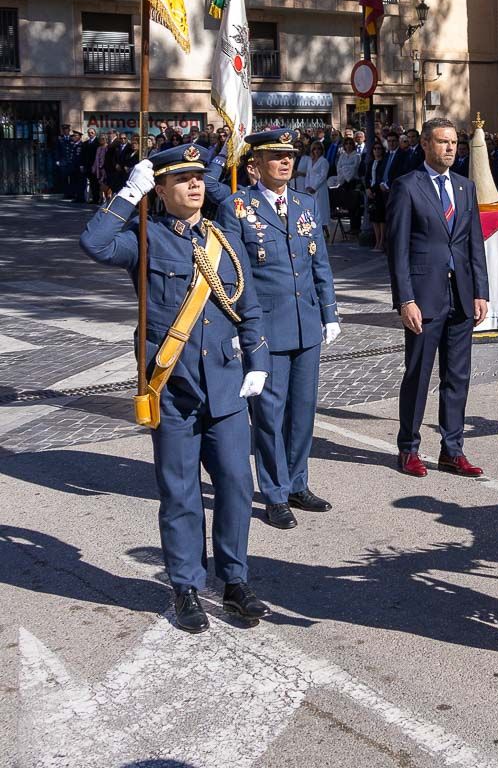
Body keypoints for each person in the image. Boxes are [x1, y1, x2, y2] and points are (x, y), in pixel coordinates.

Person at [79, 144, 271, 633]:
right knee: (180, 493)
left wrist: (259, 361)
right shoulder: (144, 239)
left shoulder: (224, 240)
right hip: (172, 387)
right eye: (181, 179)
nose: (194, 184)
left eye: (198, 177)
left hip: (227, 386)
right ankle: (186, 584)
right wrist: (127, 194)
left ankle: (234, 581)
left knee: (235, 485)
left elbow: (249, 307)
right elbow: (95, 243)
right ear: (160, 189)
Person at [216, 130, 341, 531]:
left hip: (305, 325)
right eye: (276, 156)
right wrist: (241, 324)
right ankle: (273, 492)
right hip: (266, 327)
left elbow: (319, 263)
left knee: (302, 412)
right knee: (269, 414)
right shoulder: (238, 207)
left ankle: (297, 483)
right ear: (256, 164)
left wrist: (330, 312)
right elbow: (236, 274)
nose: (286, 162)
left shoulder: (305, 205)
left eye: (290, 156)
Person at [388, 118, 490, 478]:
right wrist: (405, 300)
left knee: (457, 376)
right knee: (418, 375)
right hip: (424, 298)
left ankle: (452, 449)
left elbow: (473, 244)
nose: (450, 148)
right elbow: (397, 249)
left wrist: (481, 292)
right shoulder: (407, 187)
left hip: (460, 296)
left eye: (454, 143)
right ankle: (408, 448)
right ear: (425, 145)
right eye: (443, 142)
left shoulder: (465, 188)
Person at [302, 142, 332, 237]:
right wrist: (307, 186)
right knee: (311, 209)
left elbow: (323, 176)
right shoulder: (310, 161)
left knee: (321, 209)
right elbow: (308, 174)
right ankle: (313, 228)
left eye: (319, 149)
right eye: (315, 149)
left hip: (320, 189)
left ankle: (323, 230)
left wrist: (314, 187)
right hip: (310, 188)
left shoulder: (324, 161)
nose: (317, 151)